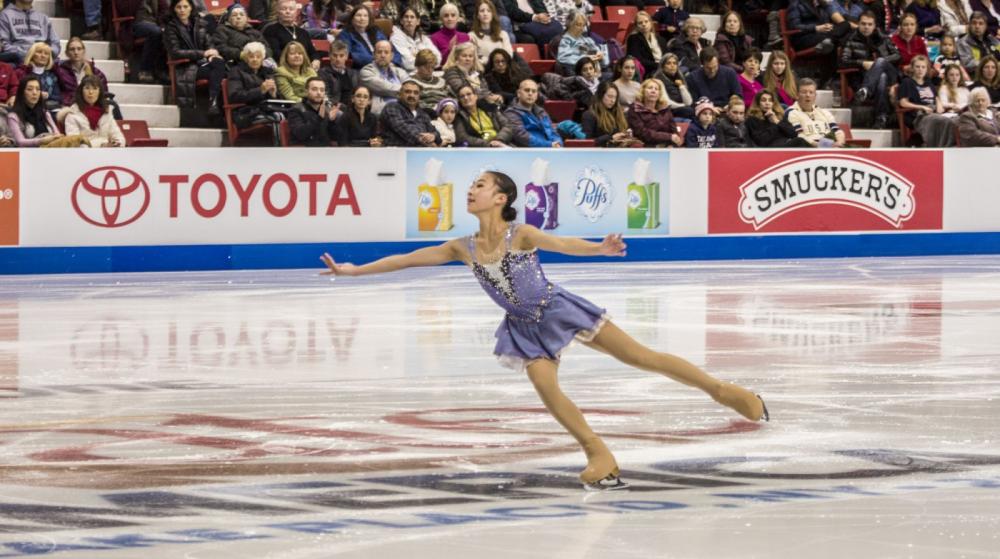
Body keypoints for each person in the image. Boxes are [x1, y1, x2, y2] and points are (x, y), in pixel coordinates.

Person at [318, 170, 769, 490]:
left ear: (500, 198)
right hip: (522, 327)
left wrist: (598, 249)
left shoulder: (521, 234)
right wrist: (354, 271)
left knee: (640, 357)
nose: (471, 191)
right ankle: (598, 454)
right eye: (472, 185)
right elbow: (406, 259)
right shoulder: (464, 246)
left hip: (557, 309)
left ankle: (723, 391)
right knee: (544, 385)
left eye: (480, 185)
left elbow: (563, 244)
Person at [839, 10, 900, 129]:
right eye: (863, 24)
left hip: (891, 75)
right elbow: (842, 62)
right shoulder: (851, 39)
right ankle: (881, 118)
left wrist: (879, 62)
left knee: (881, 62)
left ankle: (865, 90)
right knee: (881, 78)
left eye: (869, 24)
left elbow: (897, 56)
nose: (866, 27)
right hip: (863, 76)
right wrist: (862, 63)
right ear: (859, 24)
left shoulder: (883, 38)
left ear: (874, 26)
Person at [163, 0, 227, 113]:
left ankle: (214, 102)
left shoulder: (200, 24)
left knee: (220, 63)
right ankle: (214, 102)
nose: (182, 10)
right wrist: (202, 54)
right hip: (186, 67)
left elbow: (209, 44)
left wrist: (212, 54)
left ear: (191, 8)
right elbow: (175, 52)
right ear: (174, 9)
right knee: (219, 70)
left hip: (202, 64)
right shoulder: (170, 28)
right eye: (179, 7)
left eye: (185, 6)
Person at [898, 54, 957, 145]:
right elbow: (903, 102)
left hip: (933, 112)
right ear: (912, 68)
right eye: (917, 67)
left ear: (926, 69)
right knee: (944, 121)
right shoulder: (907, 82)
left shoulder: (929, 83)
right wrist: (922, 107)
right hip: (919, 115)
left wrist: (940, 108)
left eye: (923, 67)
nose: (920, 69)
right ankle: (944, 146)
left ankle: (952, 145)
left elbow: (936, 98)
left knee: (956, 120)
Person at [60, 75, 125, 147]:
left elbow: (118, 136)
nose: (91, 92)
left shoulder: (107, 111)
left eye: (95, 88)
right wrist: (101, 145)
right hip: (84, 155)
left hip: (108, 154)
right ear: (81, 91)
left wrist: (117, 144)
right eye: (87, 88)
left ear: (99, 92)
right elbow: (75, 143)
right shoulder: (72, 114)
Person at [226, 41, 279, 129]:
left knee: (289, 115)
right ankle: (279, 143)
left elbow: (277, 99)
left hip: (265, 109)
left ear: (263, 58)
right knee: (277, 117)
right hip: (245, 112)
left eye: (258, 57)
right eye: (251, 56)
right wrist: (260, 90)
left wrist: (273, 95)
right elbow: (234, 96)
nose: (255, 59)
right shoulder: (236, 71)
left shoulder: (268, 72)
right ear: (246, 58)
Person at [54, 37, 113, 113]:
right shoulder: (60, 71)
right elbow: (58, 94)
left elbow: (103, 92)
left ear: (84, 51)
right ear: (67, 53)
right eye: (72, 49)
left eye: (79, 49)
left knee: (113, 106)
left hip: (92, 104)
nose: (76, 52)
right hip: (70, 106)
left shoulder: (96, 72)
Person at [262, 0, 323, 71]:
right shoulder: (271, 30)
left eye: (291, 9)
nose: (288, 12)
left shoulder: (303, 32)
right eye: (284, 9)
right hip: (284, 69)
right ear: (278, 12)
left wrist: (316, 60)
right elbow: (276, 54)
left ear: (296, 12)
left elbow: (313, 52)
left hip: (306, 70)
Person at [785, 77, 845, 146]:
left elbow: (837, 131)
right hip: (807, 148)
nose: (808, 95)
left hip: (831, 146)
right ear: (797, 95)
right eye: (804, 92)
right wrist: (824, 145)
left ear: (815, 95)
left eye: (811, 92)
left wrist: (840, 143)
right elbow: (800, 136)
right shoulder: (792, 113)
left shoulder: (824, 112)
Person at [341, 4, 404, 70]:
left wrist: (393, 63)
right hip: (365, 69)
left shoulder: (376, 31)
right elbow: (357, 57)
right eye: (358, 15)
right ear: (352, 18)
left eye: (365, 16)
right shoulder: (346, 34)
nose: (362, 18)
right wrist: (381, 62)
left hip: (388, 67)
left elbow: (394, 51)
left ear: (369, 19)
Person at [381, 79, 442, 145]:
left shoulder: (423, 113)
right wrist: (425, 140)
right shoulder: (392, 107)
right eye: (407, 92)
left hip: (420, 151)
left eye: (416, 93)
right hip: (395, 152)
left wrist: (433, 136)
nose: (412, 95)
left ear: (419, 96)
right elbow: (404, 129)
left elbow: (436, 133)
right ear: (399, 94)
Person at [504, 78, 562, 146]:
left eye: (534, 91)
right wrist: (549, 145)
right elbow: (521, 136)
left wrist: (558, 143)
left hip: (549, 149)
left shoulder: (542, 112)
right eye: (527, 90)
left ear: (537, 95)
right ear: (519, 93)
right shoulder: (511, 113)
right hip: (528, 152)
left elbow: (552, 132)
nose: (530, 93)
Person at [6, 75, 61, 146]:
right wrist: (41, 141)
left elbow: (57, 134)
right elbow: (20, 142)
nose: (35, 93)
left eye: (38, 89)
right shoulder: (13, 116)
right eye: (29, 89)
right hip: (27, 154)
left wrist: (55, 137)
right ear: (22, 93)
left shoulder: (45, 113)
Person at [0, 0, 61, 64]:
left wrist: (46, 53)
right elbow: (4, 45)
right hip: (18, 61)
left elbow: (55, 43)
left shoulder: (43, 18)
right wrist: (30, 53)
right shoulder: (4, 16)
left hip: (43, 60)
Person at [746, 88, 812, 147]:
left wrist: (777, 122)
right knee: (800, 142)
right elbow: (762, 141)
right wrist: (774, 125)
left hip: (787, 144)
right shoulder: (752, 119)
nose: (767, 103)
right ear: (758, 103)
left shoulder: (778, 115)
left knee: (803, 140)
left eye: (770, 100)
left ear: (773, 103)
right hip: (772, 150)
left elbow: (794, 134)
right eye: (763, 100)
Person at [360, 39, 410, 115]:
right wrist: (406, 91)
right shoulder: (366, 72)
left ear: (392, 56)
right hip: (384, 112)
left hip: (405, 109)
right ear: (373, 55)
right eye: (379, 52)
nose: (383, 55)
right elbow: (386, 88)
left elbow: (411, 87)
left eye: (386, 52)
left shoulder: (400, 71)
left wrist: (409, 91)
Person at [628, 78, 683, 147]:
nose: (653, 91)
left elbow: (674, 131)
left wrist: (672, 144)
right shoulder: (635, 109)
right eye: (650, 88)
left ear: (659, 93)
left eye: (656, 89)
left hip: (666, 147)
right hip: (645, 147)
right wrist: (669, 137)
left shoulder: (665, 109)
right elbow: (642, 133)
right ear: (643, 91)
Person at [287, 76, 341, 146]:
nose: (319, 93)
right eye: (314, 89)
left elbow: (335, 137)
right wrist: (319, 118)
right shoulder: (296, 109)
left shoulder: (327, 109)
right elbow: (300, 134)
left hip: (325, 151)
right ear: (306, 91)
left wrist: (332, 122)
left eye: (322, 90)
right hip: (304, 151)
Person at [581, 81, 634, 146]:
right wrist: (610, 138)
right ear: (600, 96)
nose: (613, 100)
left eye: (615, 97)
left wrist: (627, 135)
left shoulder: (619, 113)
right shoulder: (589, 115)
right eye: (610, 96)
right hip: (598, 154)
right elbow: (586, 142)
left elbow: (623, 131)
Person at [391, 6, 442, 72]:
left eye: (412, 17)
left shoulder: (424, 38)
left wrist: (417, 56)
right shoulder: (396, 38)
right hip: (408, 75)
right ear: (401, 21)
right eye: (406, 17)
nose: (409, 20)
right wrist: (428, 57)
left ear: (418, 21)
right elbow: (408, 64)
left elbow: (438, 58)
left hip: (428, 73)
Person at [14, 42, 60, 111]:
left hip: (49, 109)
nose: (43, 56)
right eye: (39, 52)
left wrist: (47, 96)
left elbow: (58, 97)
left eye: (46, 53)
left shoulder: (52, 76)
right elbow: (16, 94)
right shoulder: (21, 73)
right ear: (32, 54)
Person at [132, 0, 168, 83]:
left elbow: (164, 10)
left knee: (167, 31)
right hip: (136, 22)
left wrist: (163, 24)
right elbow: (124, 9)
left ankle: (163, 71)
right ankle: (145, 70)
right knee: (155, 32)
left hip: (155, 23)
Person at [626, 11, 668, 76]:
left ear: (651, 23)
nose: (644, 24)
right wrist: (659, 65)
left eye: (646, 21)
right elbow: (638, 60)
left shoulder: (661, 39)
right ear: (636, 26)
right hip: (647, 71)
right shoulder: (633, 39)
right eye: (640, 23)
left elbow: (667, 56)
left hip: (664, 68)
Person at [653, 53, 694, 119]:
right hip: (667, 110)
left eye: (674, 63)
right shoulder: (658, 80)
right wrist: (683, 106)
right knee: (688, 111)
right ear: (663, 66)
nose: (672, 66)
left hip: (681, 109)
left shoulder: (680, 78)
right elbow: (666, 102)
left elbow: (688, 102)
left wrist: (681, 86)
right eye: (668, 63)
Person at [470, 0, 512, 64]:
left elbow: (509, 55)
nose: (485, 14)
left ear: (493, 14)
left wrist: (487, 59)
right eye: (482, 11)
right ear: (477, 15)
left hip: (502, 68)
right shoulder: (472, 36)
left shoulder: (503, 34)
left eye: (488, 11)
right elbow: (474, 60)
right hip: (484, 70)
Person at [319, 40, 359, 105]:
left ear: (346, 56)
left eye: (341, 55)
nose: (338, 59)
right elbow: (326, 97)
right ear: (329, 55)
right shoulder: (323, 73)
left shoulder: (354, 74)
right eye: (335, 55)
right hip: (334, 108)